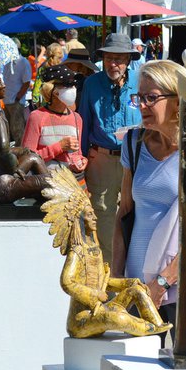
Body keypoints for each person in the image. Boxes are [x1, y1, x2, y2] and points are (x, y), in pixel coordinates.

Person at [112, 60, 186, 347]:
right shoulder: (133, 143)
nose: (142, 105)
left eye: (151, 97)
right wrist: (117, 277)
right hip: (137, 281)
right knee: (135, 369)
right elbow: (124, 213)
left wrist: (164, 281)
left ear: (178, 101)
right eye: (139, 97)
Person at [77, 33, 142, 263]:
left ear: (128, 60)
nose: (114, 64)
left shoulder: (141, 81)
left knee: (135, 211)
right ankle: (109, 272)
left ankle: (132, 267)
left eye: (119, 59)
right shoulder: (92, 84)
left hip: (135, 158)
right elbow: (83, 122)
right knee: (102, 214)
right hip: (102, 158)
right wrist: (81, 158)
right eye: (109, 58)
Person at [22, 65, 87, 180]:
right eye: (67, 85)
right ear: (52, 90)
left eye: (73, 84)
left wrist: (81, 160)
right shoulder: (37, 117)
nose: (72, 89)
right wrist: (59, 147)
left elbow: (77, 153)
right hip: (44, 184)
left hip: (71, 185)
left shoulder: (77, 118)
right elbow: (26, 159)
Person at [0, 50, 32, 144]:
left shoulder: (23, 62)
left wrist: (18, 98)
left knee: (18, 130)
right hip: (6, 100)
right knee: (7, 129)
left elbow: (27, 82)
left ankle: (22, 152)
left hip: (15, 100)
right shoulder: (5, 61)